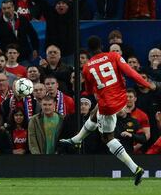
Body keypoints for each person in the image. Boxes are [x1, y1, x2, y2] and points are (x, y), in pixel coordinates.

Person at [60, 35, 155, 186]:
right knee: (93, 113)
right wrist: (148, 84)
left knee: (108, 138)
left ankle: (136, 169)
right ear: (101, 46)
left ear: (89, 51)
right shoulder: (114, 56)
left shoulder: (86, 67)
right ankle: (77, 140)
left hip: (109, 106)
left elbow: (91, 90)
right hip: (121, 98)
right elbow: (131, 73)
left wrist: (100, 89)